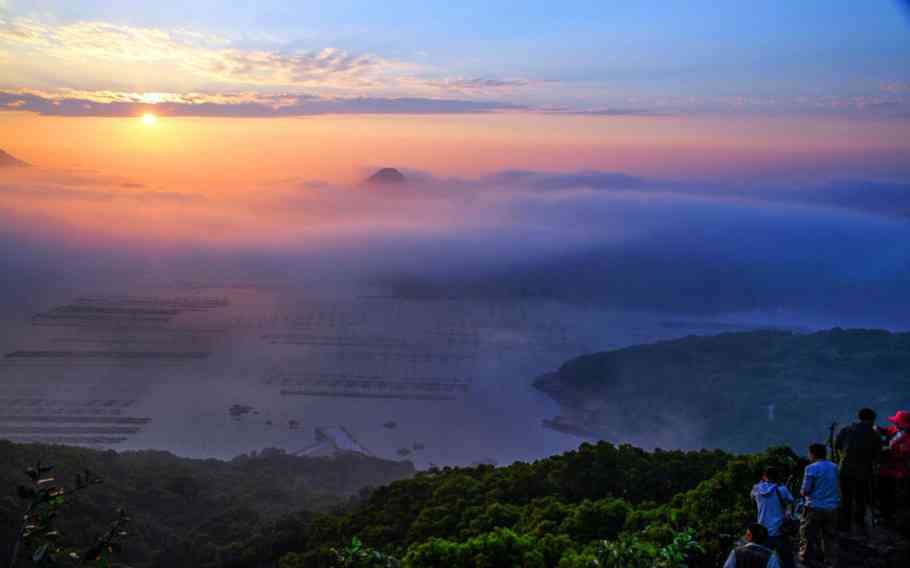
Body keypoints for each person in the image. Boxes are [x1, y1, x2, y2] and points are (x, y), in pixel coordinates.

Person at [834, 407, 881, 532]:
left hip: (845, 468)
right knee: (861, 497)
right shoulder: (874, 434)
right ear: (871, 419)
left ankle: (844, 524)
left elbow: (837, 445)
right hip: (864, 471)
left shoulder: (847, 429)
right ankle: (859, 524)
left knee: (845, 497)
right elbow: (877, 455)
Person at [799, 443, 839, 567]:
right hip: (832, 507)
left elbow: (805, 490)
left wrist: (802, 493)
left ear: (812, 454)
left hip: (814, 507)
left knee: (808, 535)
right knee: (829, 536)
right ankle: (830, 562)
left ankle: (805, 558)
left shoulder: (811, 468)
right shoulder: (834, 467)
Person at [751, 466, 794, 568]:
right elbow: (791, 500)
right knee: (787, 561)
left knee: (762, 562)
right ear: (777, 477)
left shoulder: (756, 489)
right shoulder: (782, 490)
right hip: (780, 531)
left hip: (762, 532)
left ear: (764, 476)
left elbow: (752, 499)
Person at [878, 409, 910, 528]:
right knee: (884, 493)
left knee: (896, 496)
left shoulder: (908, 439)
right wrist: (877, 429)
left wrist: (890, 452)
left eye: (898, 423)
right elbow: (886, 430)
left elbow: (904, 454)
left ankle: (895, 519)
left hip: (899, 472)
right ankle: (886, 516)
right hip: (886, 470)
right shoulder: (894, 430)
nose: (895, 424)